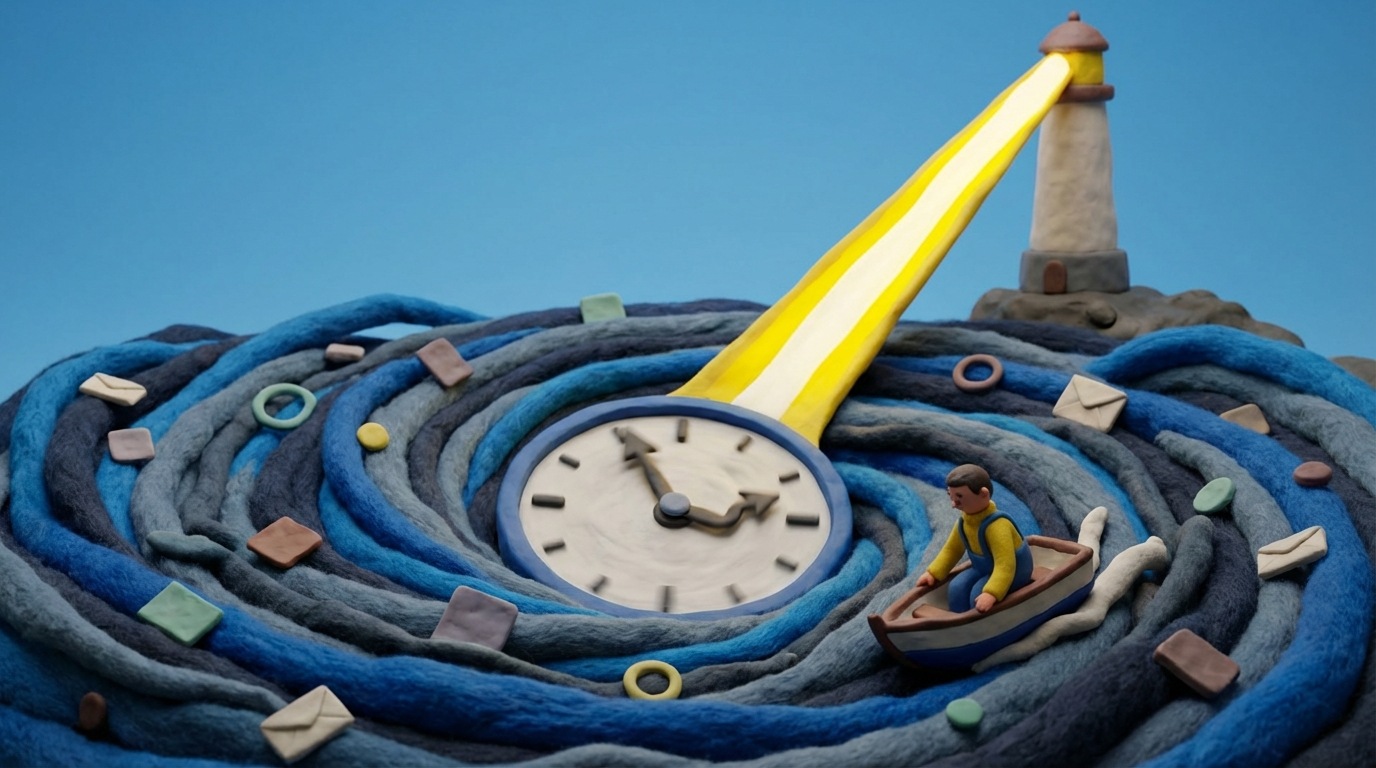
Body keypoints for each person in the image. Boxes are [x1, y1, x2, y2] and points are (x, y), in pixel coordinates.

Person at [915, 464, 1033, 613]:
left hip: (1014, 572)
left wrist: (991, 592)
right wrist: (933, 573)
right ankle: (958, 621)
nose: (953, 504)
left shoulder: (998, 527)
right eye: (950, 496)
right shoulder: (964, 523)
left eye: (959, 497)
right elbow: (951, 550)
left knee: (977, 594)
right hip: (983, 569)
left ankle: (980, 623)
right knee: (956, 587)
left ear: (984, 494)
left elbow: (1006, 565)